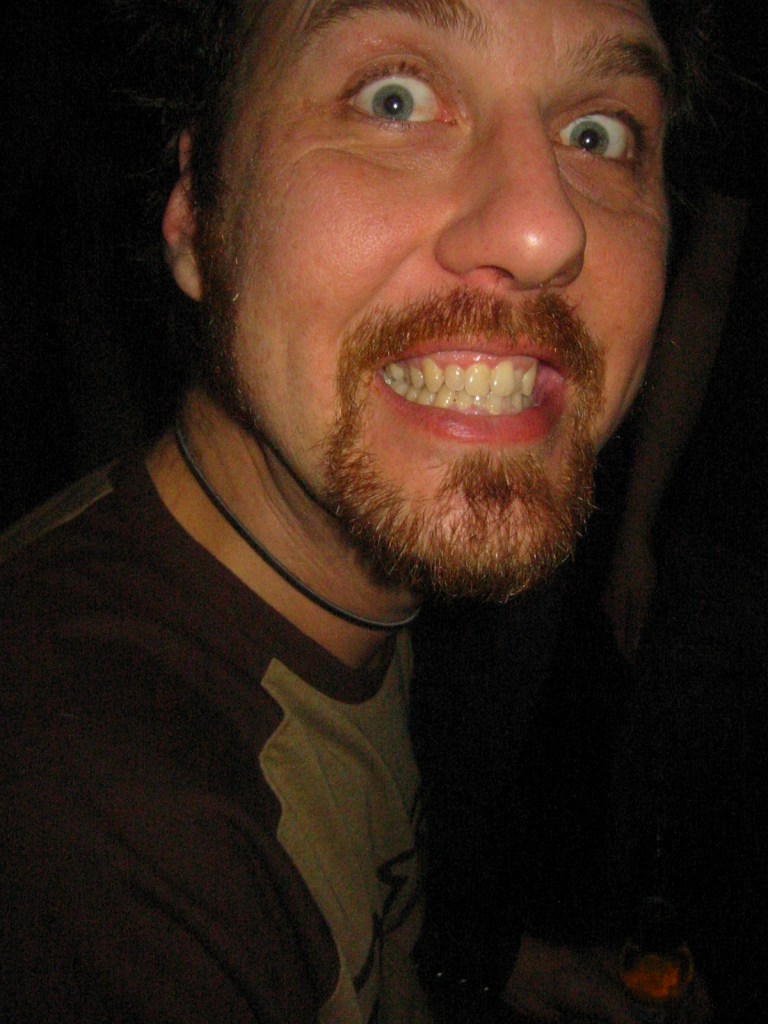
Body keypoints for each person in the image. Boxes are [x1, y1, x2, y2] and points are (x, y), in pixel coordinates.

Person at [0, 0, 709, 1021]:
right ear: (197, 216)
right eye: (395, 100)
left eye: (597, 134)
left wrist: (502, 964)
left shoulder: (342, 576)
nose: (545, 230)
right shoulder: (102, 840)